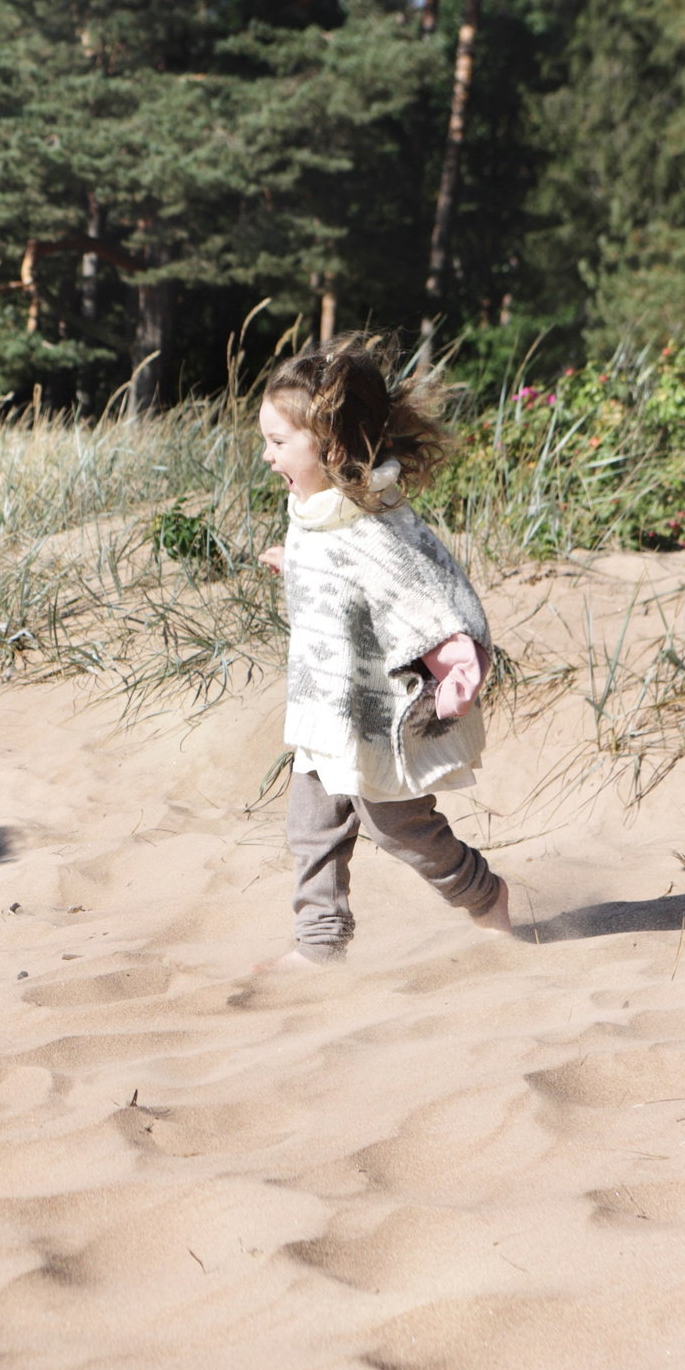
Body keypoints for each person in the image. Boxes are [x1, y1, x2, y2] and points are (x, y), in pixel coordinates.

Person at [255, 339, 511, 966]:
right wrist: (297, 568)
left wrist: (456, 665)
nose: (268, 457)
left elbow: (428, 593)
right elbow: (339, 579)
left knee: (398, 825)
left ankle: (486, 895)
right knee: (312, 828)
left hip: (374, 712)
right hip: (324, 707)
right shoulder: (314, 511)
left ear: (332, 448)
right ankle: (320, 945)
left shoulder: (374, 526)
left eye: (279, 442)